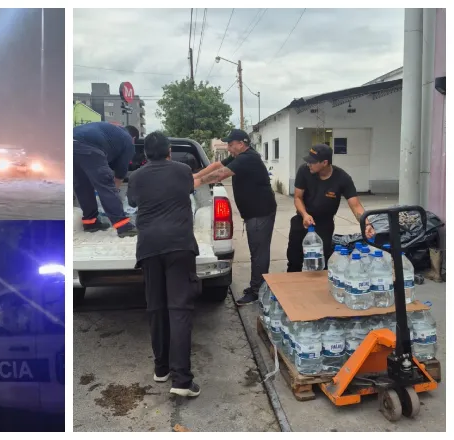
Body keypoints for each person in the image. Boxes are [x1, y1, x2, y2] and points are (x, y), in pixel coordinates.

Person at [127, 132, 201, 397]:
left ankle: (161, 369)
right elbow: (190, 188)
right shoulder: (182, 171)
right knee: (179, 310)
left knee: (156, 308)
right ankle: (182, 381)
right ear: (169, 150)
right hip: (179, 246)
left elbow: (133, 202)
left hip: (148, 247)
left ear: (145, 154)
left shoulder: (135, 177)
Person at [193, 129, 277, 305]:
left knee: (259, 254)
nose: (229, 148)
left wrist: (198, 182)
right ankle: (258, 286)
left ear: (241, 143)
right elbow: (217, 166)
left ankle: (257, 292)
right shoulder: (240, 156)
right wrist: (195, 175)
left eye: (231, 145)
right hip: (254, 213)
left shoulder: (248, 158)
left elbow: (221, 174)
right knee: (257, 252)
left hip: (260, 213)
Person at [287, 144, 376, 272]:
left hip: (324, 224)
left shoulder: (342, 178)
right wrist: (305, 214)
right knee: (294, 260)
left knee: (321, 263)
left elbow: (355, 205)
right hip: (303, 221)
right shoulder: (304, 171)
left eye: (312, 162)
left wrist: (366, 224)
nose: (308, 164)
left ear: (324, 162)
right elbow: (297, 197)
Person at [73, 121, 139, 237]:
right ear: (134, 138)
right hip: (88, 146)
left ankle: (90, 222)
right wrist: (113, 192)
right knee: (105, 184)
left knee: (83, 185)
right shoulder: (128, 140)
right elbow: (120, 173)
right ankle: (123, 225)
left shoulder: (112, 132)